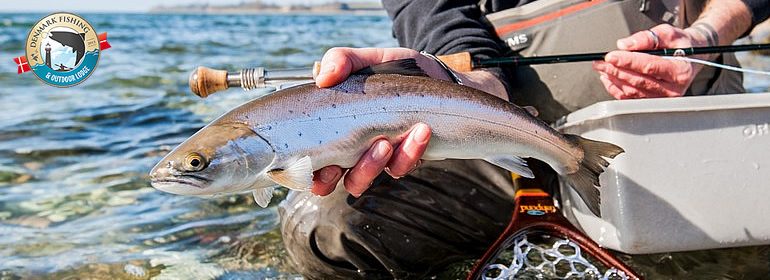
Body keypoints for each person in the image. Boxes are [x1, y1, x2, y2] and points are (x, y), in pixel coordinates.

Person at [279, 0, 770, 279]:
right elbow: (434, 13)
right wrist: (473, 79)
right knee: (330, 230)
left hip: (675, 125)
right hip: (489, 133)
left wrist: (703, 35)